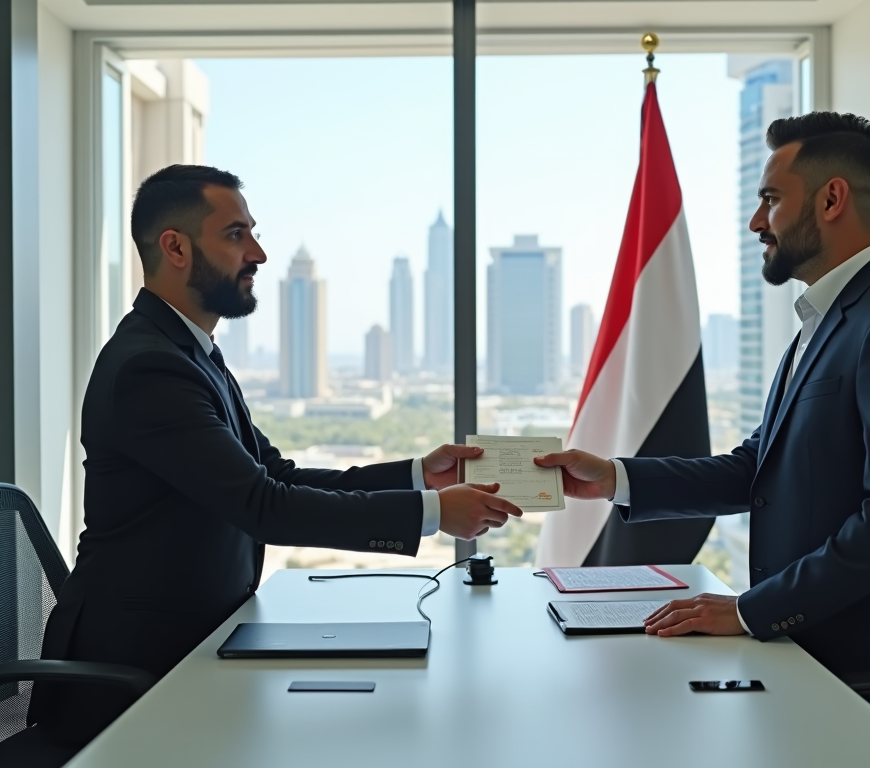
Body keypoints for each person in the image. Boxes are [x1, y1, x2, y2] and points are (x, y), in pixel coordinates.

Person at [28, 164, 520, 746]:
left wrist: (419, 477)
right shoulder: (150, 368)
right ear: (176, 247)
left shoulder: (192, 353)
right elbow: (264, 505)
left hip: (203, 642)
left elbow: (276, 474)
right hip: (140, 674)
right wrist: (433, 514)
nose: (258, 253)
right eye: (236, 234)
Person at [536, 113, 870, 743]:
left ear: (831, 199)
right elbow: (756, 468)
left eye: (771, 199)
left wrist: (748, 611)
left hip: (866, 678)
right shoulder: (827, 322)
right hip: (806, 649)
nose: (756, 222)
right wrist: (613, 478)